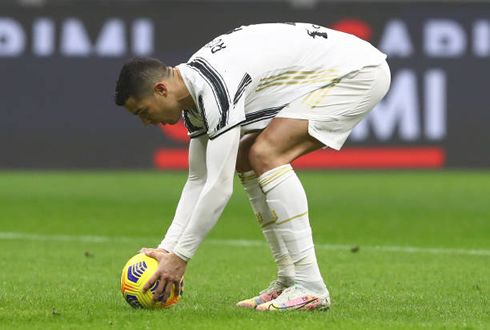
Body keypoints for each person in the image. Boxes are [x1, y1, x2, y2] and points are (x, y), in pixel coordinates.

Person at [114, 22, 390, 311]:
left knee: (266, 152)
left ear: (161, 90)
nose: (146, 122)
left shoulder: (214, 87)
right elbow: (198, 179)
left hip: (357, 73)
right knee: (245, 156)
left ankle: (310, 286)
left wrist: (180, 257)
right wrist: (167, 249)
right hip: (335, 69)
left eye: (143, 112)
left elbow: (219, 189)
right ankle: (289, 280)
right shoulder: (193, 95)